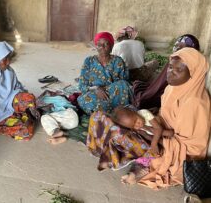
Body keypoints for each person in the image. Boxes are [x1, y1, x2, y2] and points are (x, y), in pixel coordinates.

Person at [135, 48, 210, 189]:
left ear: (193, 73)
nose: (171, 72)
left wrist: (151, 135)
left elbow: (187, 145)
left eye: (178, 70)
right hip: (165, 135)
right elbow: (166, 115)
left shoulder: (194, 102)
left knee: (140, 143)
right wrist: (153, 118)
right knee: (129, 122)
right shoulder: (171, 88)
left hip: (182, 151)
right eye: (170, 67)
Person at [132, 34, 200, 109]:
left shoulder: (193, 101)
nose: (177, 49)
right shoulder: (174, 61)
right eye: (176, 46)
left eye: (181, 47)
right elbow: (160, 84)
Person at [77, 32, 132, 114]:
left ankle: (106, 111)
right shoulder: (89, 61)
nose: (102, 47)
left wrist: (107, 90)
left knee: (123, 85)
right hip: (94, 94)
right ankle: (113, 111)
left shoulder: (118, 61)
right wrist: (96, 89)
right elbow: (82, 85)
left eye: (106, 44)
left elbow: (123, 84)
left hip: (113, 95)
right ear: (96, 46)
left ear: (112, 46)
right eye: (99, 45)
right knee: (83, 100)